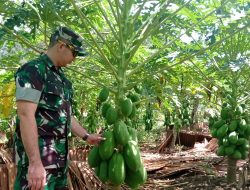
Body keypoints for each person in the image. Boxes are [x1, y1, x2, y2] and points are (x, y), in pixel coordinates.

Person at [14, 26, 104, 190]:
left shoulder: (63, 80)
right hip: (38, 165)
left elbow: (66, 116)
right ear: (61, 45)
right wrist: (34, 163)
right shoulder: (33, 71)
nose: (75, 58)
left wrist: (86, 136)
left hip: (58, 164)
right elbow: (25, 115)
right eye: (74, 53)